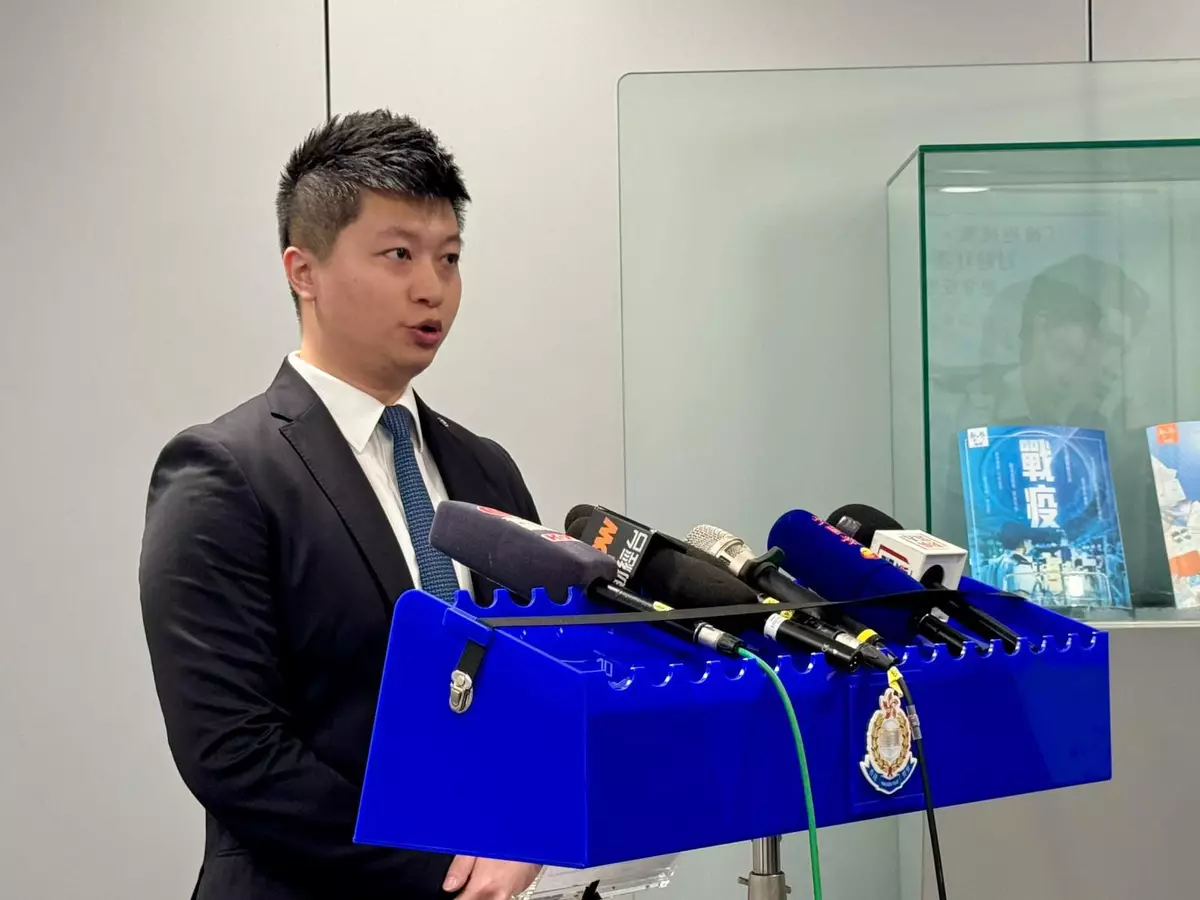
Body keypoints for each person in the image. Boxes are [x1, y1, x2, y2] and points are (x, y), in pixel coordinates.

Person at [139, 110, 542, 900]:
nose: (432, 287)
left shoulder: (486, 470)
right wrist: (445, 871)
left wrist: (529, 831)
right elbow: (234, 751)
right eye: (399, 255)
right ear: (304, 271)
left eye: (449, 258)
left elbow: (535, 685)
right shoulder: (223, 472)